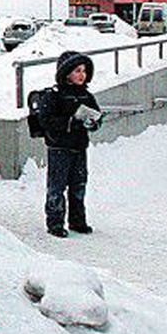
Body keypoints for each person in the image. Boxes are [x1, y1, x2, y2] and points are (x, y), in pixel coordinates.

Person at [37, 51, 101, 238]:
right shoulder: (53, 95)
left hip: (79, 147)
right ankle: (55, 222)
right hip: (59, 148)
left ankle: (77, 220)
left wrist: (93, 122)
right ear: (66, 74)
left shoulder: (87, 96)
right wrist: (70, 122)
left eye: (84, 71)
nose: (82, 75)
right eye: (77, 71)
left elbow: (96, 116)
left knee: (79, 184)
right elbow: (46, 120)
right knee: (57, 186)